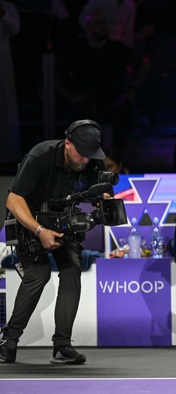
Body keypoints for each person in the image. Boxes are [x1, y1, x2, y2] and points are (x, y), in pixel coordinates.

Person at [0, 120, 109, 364]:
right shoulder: (41, 156)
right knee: (39, 274)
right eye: (82, 155)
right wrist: (40, 231)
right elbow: (13, 201)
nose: (87, 161)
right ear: (68, 144)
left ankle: (62, 346)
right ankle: (8, 341)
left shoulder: (92, 160)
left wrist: (101, 200)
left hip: (62, 223)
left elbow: (97, 194)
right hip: (28, 223)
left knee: (72, 267)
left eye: (91, 156)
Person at [56, 10, 150, 151]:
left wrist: (132, 88)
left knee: (125, 113)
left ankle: (117, 155)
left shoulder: (117, 49)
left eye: (104, 22)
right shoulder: (79, 51)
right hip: (87, 102)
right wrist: (69, 96)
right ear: (89, 27)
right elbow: (57, 74)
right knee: (77, 116)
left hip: (114, 101)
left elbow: (144, 64)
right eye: (98, 23)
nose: (103, 26)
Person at [0, 0, 21, 165]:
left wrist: (2, 13)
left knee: (5, 106)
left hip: (3, 59)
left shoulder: (7, 5)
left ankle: (8, 157)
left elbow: (15, 28)